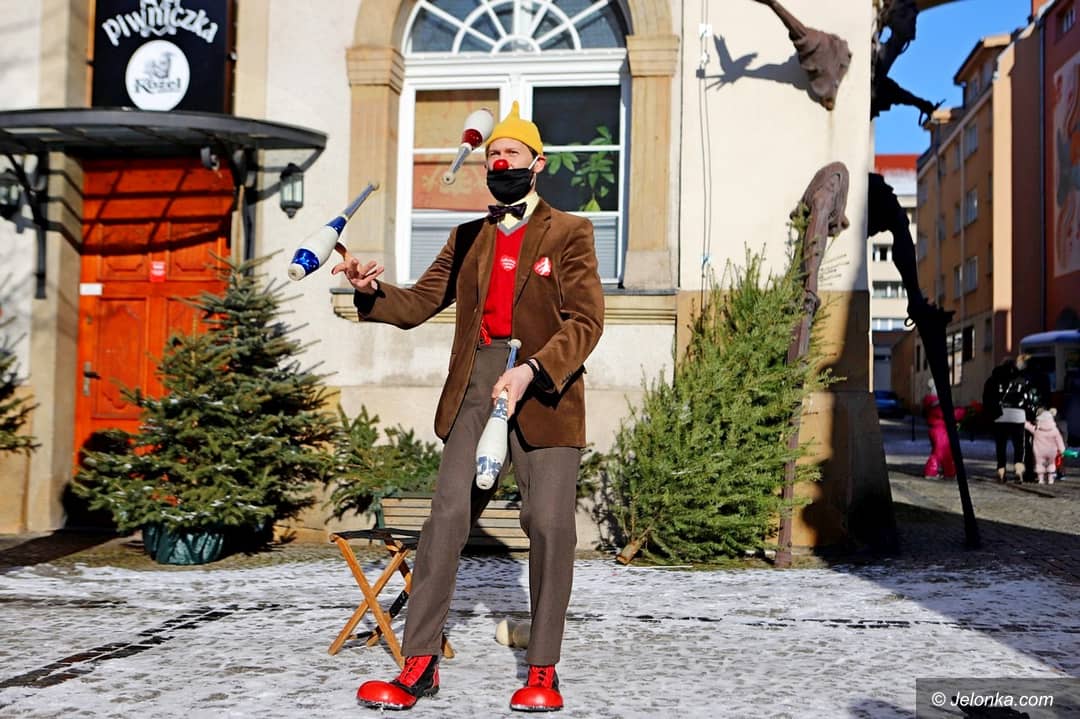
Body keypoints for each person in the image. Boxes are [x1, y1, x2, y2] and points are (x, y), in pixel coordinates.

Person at [332, 102, 604, 713]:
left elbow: (587, 321)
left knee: (550, 526)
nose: (500, 162)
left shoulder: (570, 232)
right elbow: (418, 304)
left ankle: (542, 671)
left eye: (511, 153)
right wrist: (370, 292)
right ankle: (418, 666)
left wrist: (532, 370)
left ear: (538, 163)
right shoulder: (467, 237)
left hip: (547, 387)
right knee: (446, 520)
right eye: (493, 154)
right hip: (477, 384)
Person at [922, 378, 961, 480]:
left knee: (946, 452)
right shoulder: (936, 405)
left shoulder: (934, 404)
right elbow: (949, 414)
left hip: (941, 430)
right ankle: (930, 472)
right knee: (939, 452)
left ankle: (950, 473)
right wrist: (963, 412)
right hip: (939, 431)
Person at [1025, 407, 1066, 484]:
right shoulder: (1054, 430)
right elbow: (1059, 440)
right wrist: (1062, 450)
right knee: (1051, 463)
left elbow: (1028, 426)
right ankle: (1050, 479)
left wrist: (1024, 422)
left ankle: (1040, 479)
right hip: (1051, 451)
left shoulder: (1037, 430)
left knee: (1039, 464)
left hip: (1039, 452)